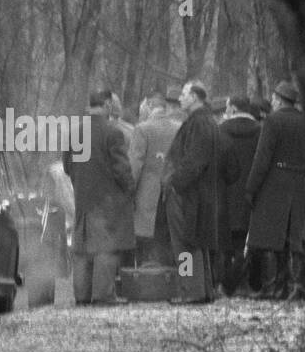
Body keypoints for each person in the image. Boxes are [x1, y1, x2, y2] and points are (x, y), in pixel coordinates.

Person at [63, 88, 135, 305]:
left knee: (83, 248)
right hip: (108, 200)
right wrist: (130, 190)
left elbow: (67, 166)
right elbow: (121, 169)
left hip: (83, 197)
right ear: (107, 105)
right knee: (107, 247)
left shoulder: (75, 132)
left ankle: (82, 296)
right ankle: (103, 295)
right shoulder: (113, 133)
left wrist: (81, 181)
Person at [245, 81, 305, 299]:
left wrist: (251, 188)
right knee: (295, 236)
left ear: (280, 100)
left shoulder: (272, 121)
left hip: (275, 184)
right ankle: (297, 284)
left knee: (274, 239)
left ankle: (274, 285)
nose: (271, 101)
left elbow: (262, 158)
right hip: (300, 182)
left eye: (273, 98)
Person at [163, 80, 223, 304]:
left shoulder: (198, 124)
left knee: (185, 245)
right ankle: (203, 290)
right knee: (197, 242)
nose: (180, 98)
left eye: (185, 94)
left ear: (196, 97)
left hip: (188, 195)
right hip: (199, 193)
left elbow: (194, 162)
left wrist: (174, 183)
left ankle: (190, 291)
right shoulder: (206, 121)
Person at [218, 96, 262, 296]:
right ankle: (247, 283)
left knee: (225, 242)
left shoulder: (221, 130)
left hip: (226, 193)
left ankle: (226, 282)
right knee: (248, 241)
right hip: (252, 193)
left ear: (233, 109)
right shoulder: (260, 131)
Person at [133, 90, 183, 266]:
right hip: (174, 195)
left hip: (147, 198)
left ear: (150, 105)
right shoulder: (179, 128)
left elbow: (135, 167)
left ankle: (148, 285)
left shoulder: (142, 129)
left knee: (146, 247)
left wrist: (128, 194)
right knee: (172, 245)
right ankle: (179, 280)